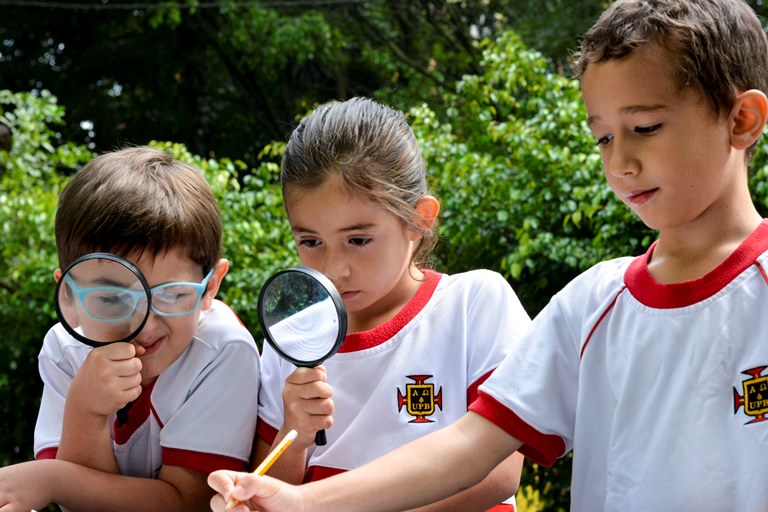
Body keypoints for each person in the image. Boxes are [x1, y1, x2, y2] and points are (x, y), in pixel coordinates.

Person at [208, 0, 768, 510]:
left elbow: (496, 475)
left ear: (742, 119)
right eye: (602, 136)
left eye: (645, 127)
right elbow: (472, 444)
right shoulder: (591, 304)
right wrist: (301, 502)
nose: (619, 161)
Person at [251, 97, 529, 511]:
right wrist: (294, 433)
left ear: (419, 219)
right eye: (310, 242)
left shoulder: (473, 305)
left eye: (358, 240)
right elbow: (263, 496)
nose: (334, 268)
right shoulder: (291, 340)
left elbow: (498, 471)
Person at [0, 146, 261, 511]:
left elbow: (188, 504)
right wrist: (85, 408)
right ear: (69, 298)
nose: (145, 324)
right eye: (111, 298)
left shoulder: (222, 350)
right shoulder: (64, 349)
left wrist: (54, 477)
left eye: (171, 295)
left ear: (211, 287)